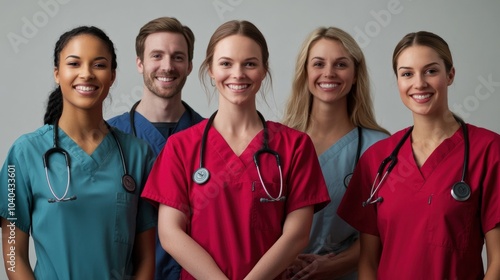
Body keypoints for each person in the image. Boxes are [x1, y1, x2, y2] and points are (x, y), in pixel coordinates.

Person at [141, 20, 331, 280]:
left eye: (250, 63)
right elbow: (170, 233)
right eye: (226, 63)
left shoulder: (295, 146)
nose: (238, 74)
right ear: (210, 69)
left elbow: (297, 236)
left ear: (264, 70)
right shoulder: (182, 146)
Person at [337, 31, 500, 279]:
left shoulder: (488, 150)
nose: (419, 83)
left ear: (450, 75)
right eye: (407, 74)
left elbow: (498, 261)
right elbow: (368, 262)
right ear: (398, 81)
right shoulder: (377, 159)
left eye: (431, 71)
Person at [0, 26, 156, 279]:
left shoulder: (138, 155)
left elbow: (147, 257)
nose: (86, 74)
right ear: (57, 73)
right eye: (74, 63)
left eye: (99, 65)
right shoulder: (24, 153)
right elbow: (12, 254)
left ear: (112, 75)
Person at [282, 27, 389, 280]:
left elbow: (386, 229)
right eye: (318, 64)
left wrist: (334, 265)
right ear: (305, 73)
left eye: (341, 64)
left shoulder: (380, 148)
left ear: (354, 75)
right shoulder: (278, 142)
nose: (329, 73)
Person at [107, 17, 204, 279]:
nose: (167, 66)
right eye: (157, 56)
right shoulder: (107, 138)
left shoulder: (213, 137)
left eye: (178, 57)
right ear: (140, 63)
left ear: (190, 65)